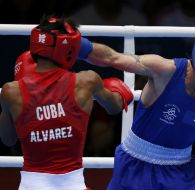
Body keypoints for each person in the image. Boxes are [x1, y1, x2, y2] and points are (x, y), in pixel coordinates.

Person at [77, 22, 195, 189]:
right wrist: (76, 44)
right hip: (136, 164)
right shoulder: (165, 70)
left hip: (180, 171)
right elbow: (112, 58)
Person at [0, 15, 133, 190]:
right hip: (73, 184)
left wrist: (28, 114)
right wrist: (119, 89)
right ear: (69, 48)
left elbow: (8, 140)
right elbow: (115, 106)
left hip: (30, 185)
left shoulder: (11, 91)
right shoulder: (87, 82)